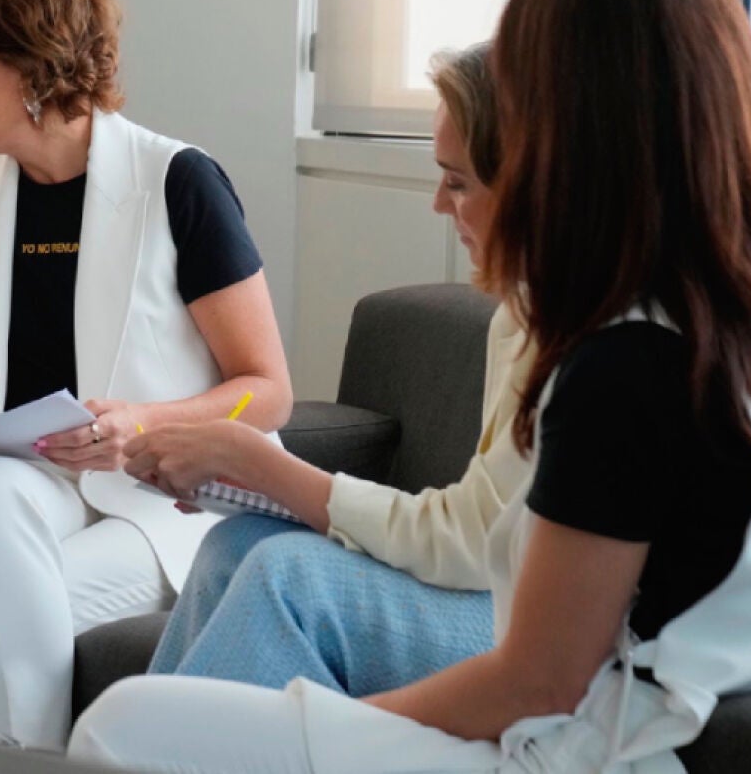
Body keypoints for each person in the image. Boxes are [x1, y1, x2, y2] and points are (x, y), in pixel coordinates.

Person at [72, 0, 751, 772]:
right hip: (595, 720)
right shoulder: (704, 320)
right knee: (166, 686)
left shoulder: (620, 371)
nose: (442, 200)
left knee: (124, 724)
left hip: (579, 751)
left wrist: (332, 726)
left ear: (578, 133)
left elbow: (539, 680)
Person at [0, 0, 294, 751]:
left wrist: (138, 423)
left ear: (31, 62)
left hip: (164, 497)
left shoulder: (178, 182)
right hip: (31, 486)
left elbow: (267, 388)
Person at [140, 43, 532, 695]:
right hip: (499, 586)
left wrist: (262, 464)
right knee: (233, 544)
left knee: (288, 577)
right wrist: (254, 479)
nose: (439, 203)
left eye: (458, 181)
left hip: (545, 629)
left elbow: (472, 545)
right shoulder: (521, 314)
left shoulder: (598, 336)